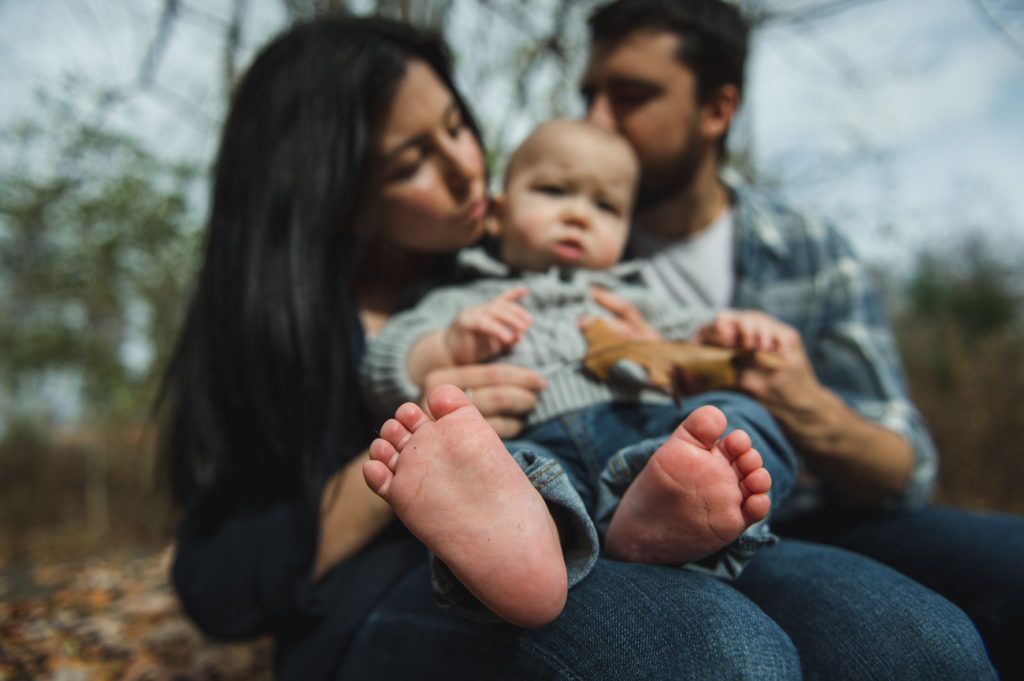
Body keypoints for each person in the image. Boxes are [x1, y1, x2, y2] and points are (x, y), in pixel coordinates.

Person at [157, 11, 995, 681]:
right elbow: (223, 585)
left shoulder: (531, 265)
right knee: (707, 649)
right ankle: (534, 527)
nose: (464, 165)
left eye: (457, 125)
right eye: (414, 157)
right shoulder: (332, 327)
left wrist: (689, 359)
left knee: (916, 639)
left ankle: (645, 508)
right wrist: (427, 439)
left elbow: (686, 345)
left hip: (640, 498)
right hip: (410, 585)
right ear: (332, 193)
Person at [580, 0, 1022, 675]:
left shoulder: (809, 247)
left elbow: (906, 470)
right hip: (633, 517)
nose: (596, 122)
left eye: (630, 97)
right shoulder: (561, 242)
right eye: (589, 95)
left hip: (822, 509)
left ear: (717, 110)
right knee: (917, 646)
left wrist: (802, 401)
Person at [360, 119, 793, 624]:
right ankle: (524, 539)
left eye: (604, 206)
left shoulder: (634, 299)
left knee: (738, 421)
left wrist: (738, 330)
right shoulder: (465, 298)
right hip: (534, 437)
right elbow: (383, 361)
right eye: (553, 190)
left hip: (653, 433)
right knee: (501, 464)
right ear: (497, 215)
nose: (578, 215)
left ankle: (661, 510)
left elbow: (702, 340)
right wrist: (446, 342)